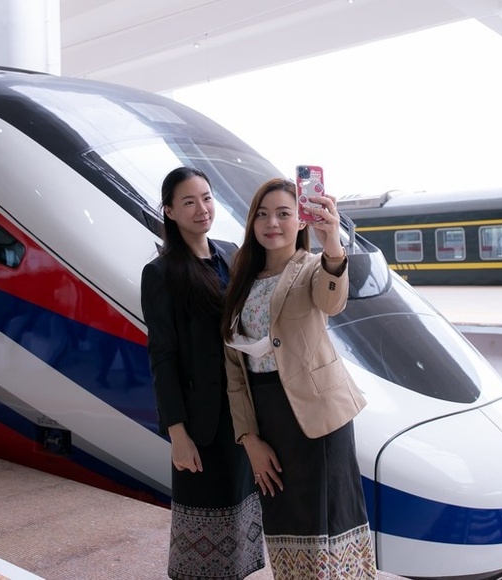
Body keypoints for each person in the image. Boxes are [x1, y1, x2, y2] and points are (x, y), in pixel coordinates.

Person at [221, 177, 376, 579]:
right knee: (285, 522)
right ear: (252, 223)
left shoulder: (311, 268)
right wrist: (248, 438)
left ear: (301, 221)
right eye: (263, 214)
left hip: (318, 419)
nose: (272, 222)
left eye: (284, 214)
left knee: (326, 522)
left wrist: (333, 246)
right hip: (269, 418)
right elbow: (234, 372)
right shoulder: (242, 278)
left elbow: (331, 299)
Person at [140, 167, 266, 580]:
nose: (202, 209)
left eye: (207, 198)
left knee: (242, 522)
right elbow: (162, 355)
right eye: (189, 202)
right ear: (170, 212)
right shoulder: (161, 273)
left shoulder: (232, 253)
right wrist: (177, 433)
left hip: (244, 413)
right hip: (201, 422)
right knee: (202, 529)